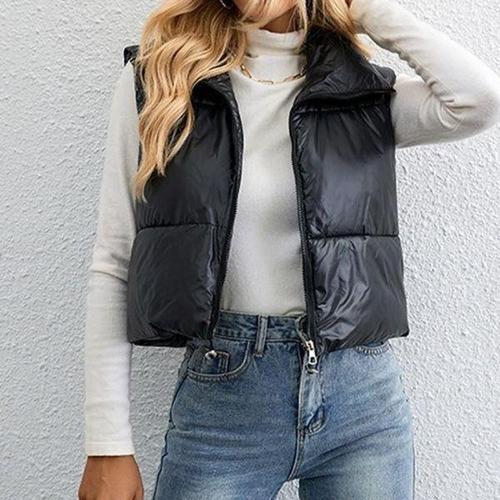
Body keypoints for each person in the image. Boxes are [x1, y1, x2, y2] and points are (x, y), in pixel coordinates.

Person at [78, 0, 500, 498]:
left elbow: (477, 100)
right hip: (224, 403)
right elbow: (116, 262)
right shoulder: (160, 82)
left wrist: (369, 11)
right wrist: (107, 444)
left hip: (362, 399)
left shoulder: (361, 94)